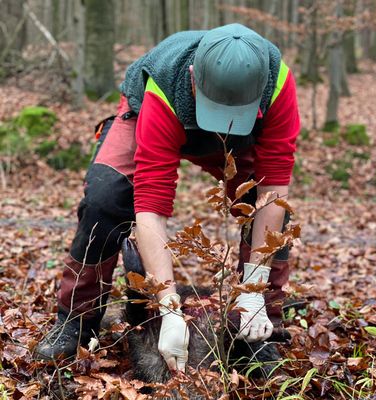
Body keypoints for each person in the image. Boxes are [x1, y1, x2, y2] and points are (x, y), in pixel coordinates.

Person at [34, 23, 300, 372]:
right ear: (192, 76)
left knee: (273, 214)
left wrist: (252, 290)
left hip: (244, 132)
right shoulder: (166, 82)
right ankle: (76, 321)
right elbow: (151, 205)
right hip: (155, 111)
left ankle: (257, 328)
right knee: (105, 197)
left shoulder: (277, 84)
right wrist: (170, 307)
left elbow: (272, 190)